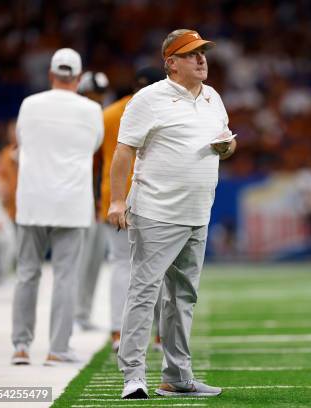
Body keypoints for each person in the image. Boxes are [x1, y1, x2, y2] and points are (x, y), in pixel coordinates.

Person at [108, 29, 236, 399]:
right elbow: (123, 152)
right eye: (192, 54)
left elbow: (227, 140)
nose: (201, 60)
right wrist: (117, 202)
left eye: (203, 53)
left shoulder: (213, 97)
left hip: (197, 213)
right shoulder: (149, 99)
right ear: (171, 63)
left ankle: (177, 377)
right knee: (144, 294)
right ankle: (133, 375)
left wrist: (227, 147)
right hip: (155, 213)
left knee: (183, 297)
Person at [10, 48, 103, 366]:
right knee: (66, 277)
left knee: (26, 274)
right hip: (71, 202)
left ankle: (21, 347)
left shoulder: (29, 105)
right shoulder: (91, 110)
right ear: (78, 78)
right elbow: (94, 146)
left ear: (51, 74)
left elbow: (21, 142)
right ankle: (57, 349)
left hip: (33, 199)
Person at [99, 66, 164, 351]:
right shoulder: (163, 110)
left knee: (120, 264)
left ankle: (117, 331)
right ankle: (162, 335)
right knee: (160, 267)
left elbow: (93, 161)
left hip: (113, 196)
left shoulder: (110, 113)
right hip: (154, 196)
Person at [74, 71, 110, 331]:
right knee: (77, 259)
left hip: (94, 197)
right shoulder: (73, 119)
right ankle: (74, 313)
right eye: (92, 95)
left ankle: (82, 313)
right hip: (75, 196)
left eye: (99, 96)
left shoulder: (102, 118)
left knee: (94, 258)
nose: (96, 100)